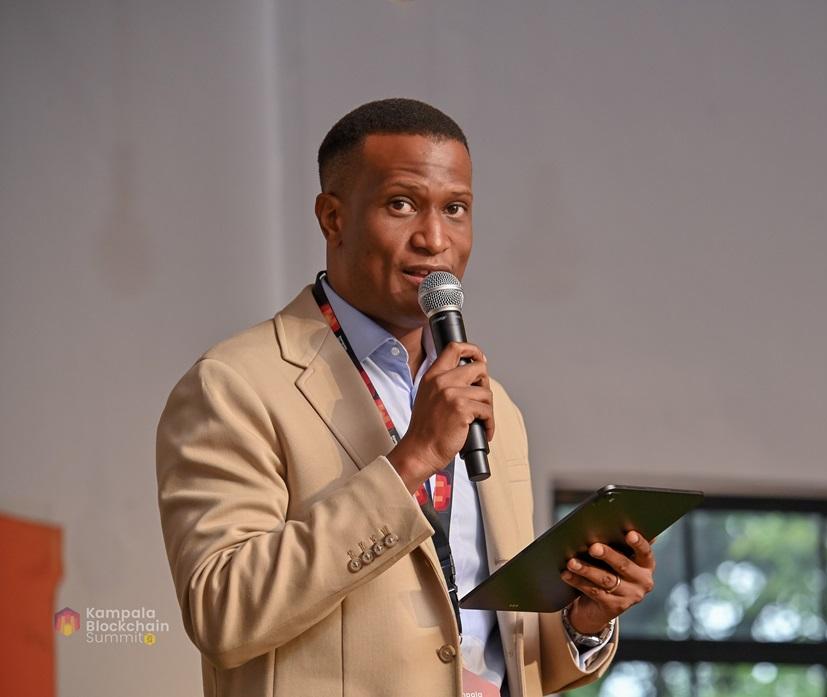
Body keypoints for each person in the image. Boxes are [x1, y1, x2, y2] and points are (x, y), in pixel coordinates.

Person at [156, 98, 657, 697]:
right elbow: (224, 612)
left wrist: (583, 620)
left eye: (456, 209)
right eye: (401, 204)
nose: (435, 238)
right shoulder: (234, 384)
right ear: (333, 218)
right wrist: (412, 458)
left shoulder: (491, 403)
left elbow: (494, 648)